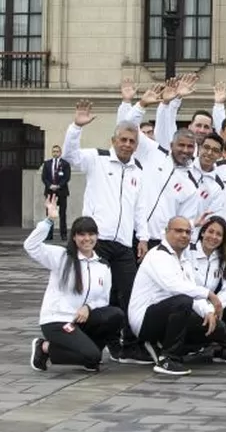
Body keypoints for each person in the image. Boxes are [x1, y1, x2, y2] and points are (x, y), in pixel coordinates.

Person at [60, 100, 153, 365]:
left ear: (136, 145)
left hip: (124, 243)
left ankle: (130, 345)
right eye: (122, 139)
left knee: (130, 293)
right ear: (114, 140)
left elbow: (140, 207)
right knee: (99, 294)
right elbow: (69, 156)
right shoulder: (96, 159)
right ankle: (108, 343)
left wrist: (143, 237)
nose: (126, 144)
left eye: (131, 141)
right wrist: (76, 127)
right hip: (96, 242)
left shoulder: (138, 170)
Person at [27, 196, 125, 373]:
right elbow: (31, 246)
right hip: (58, 321)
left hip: (81, 319)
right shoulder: (62, 257)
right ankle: (44, 347)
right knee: (94, 357)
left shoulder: (102, 265)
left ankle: (89, 352)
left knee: (115, 314)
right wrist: (49, 220)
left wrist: (88, 307)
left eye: (91, 234)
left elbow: (103, 299)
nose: (87, 239)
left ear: (97, 236)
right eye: (81, 234)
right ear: (74, 237)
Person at [128, 217, 226, 376]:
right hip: (144, 319)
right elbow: (173, 286)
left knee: (218, 328)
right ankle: (168, 359)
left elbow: (191, 290)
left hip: (170, 314)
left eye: (188, 232)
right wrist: (209, 294)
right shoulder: (157, 255)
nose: (184, 235)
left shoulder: (183, 261)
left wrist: (207, 311)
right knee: (182, 301)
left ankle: (163, 344)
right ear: (167, 232)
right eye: (178, 231)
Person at [187, 217, 226, 365]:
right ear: (202, 232)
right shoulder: (188, 251)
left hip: (210, 306)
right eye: (210, 231)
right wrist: (206, 308)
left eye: (219, 234)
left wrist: (214, 306)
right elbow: (188, 287)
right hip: (190, 303)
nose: (214, 237)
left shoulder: (222, 257)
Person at [41, 145, 71, 241]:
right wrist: (50, 185)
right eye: (54, 151)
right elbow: (44, 177)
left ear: (60, 153)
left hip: (62, 192)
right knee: (49, 214)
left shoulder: (65, 164)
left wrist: (58, 186)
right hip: (50, 192)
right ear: (52, 153)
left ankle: (63, 234)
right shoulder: (47, 164)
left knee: (62, 213)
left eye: (57, 151)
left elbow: (67, 177)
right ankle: (49, 235)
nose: (55, 153)